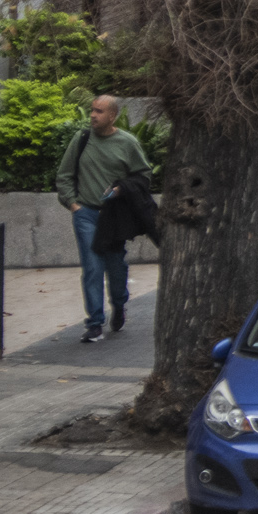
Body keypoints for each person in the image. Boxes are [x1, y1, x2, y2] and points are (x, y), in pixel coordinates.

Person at [57, 95, 152, 343]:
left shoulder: (127, 143)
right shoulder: (82, 140)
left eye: (99, 111)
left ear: (112, 116)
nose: (93, 115)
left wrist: (121, 189)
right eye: (92, 110)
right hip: (86, 214)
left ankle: (119, 304)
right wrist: (73, 204)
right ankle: (95, 323)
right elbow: (65, 175)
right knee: (92, 267)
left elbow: (143, 176)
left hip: (114, 216)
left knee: (116, 266)